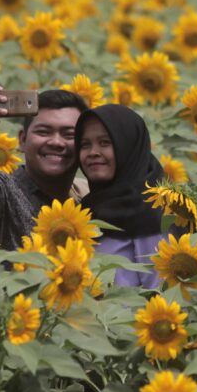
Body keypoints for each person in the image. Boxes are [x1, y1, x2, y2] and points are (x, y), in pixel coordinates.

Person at [0, 84, 88, 251]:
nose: (56, 142)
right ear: (22, 140)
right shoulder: (7, 192)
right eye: (44, 132)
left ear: (85, 143)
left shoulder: (86, 195)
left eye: (69, 135)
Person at [75, 103, 170, 288]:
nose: (93, 152)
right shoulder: (86, 209)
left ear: (127, 146)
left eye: (105, 142)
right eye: (85, 145)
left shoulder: (150, 209)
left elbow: (161, 290)